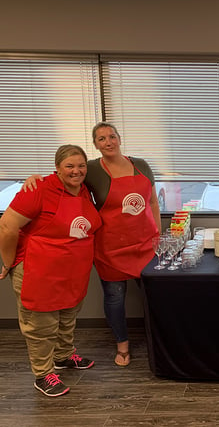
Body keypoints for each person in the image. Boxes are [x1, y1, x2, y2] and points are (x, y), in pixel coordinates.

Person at [25, 122, 161, 367]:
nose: (108, 142)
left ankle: (160, 343)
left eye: (111, 136)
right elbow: (64, 176)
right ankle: (123, 346)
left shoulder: (141, 165)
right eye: (101, 139)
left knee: (154, 296)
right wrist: (35, 178)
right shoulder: (92, 169)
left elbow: (152, 202)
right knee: (115, 297)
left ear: (119, 138)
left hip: (145, 244)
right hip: (110, 246)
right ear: (95, 144)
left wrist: (158, 235)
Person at [0, 145, 101, 397]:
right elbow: (7, 226)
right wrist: (8, 261)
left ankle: (64, 357)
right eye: (70, 166)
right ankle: (43, 374)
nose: (76, 171)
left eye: (81, 166)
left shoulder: (84, 191)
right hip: (38, 270)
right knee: (41, 325)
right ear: (57, 168)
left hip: (71, 270)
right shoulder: (38, 189)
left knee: (67, 317)